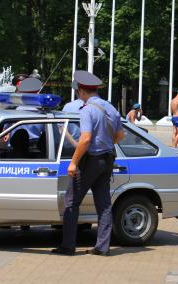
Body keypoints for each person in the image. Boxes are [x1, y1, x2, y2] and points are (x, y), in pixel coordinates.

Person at [53, 70, 124, 256]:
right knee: (104, 205)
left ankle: (68, 246)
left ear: (82, 91)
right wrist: (104, 143)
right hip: (107, 159)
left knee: (71, 201)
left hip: (91, 161)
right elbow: (120, 136)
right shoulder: (111, 108)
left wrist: (73, 163)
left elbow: (85, 139)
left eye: (78, 92)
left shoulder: (87, 110)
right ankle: (102, 247)